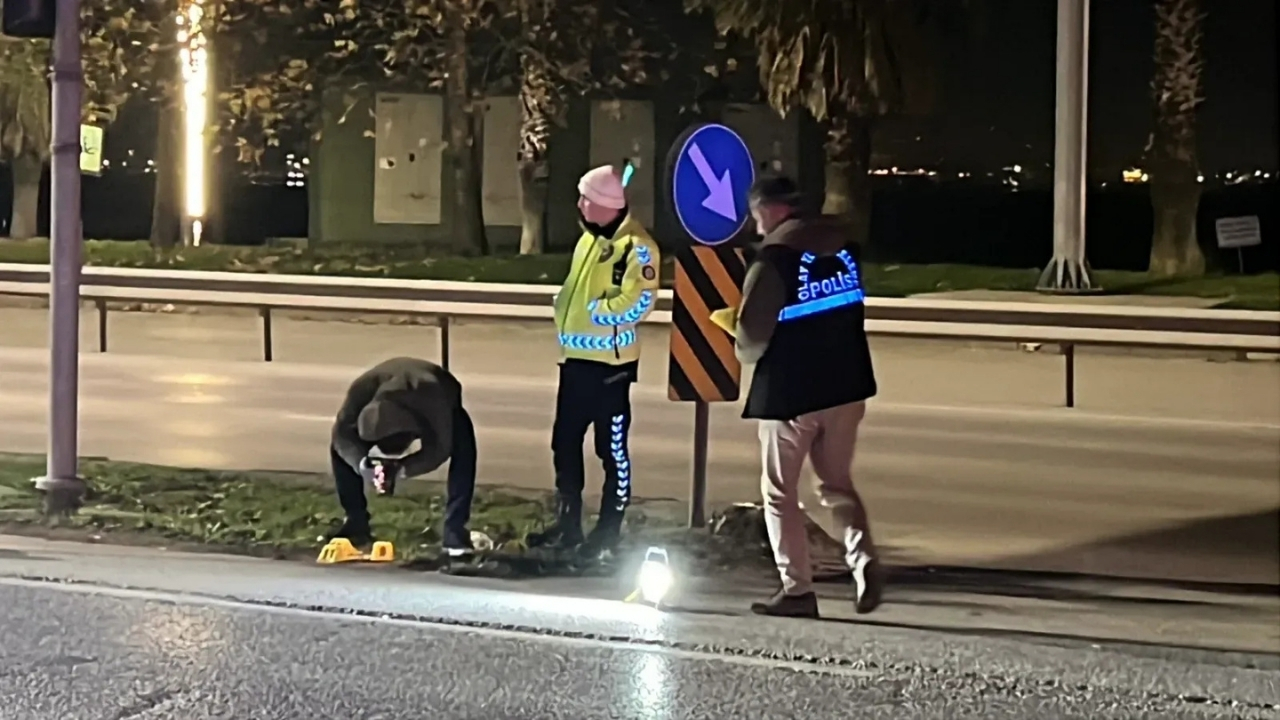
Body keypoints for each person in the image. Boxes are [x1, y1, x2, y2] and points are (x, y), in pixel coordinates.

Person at [733, 174, 884, 618]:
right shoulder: (844, 251)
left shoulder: (774, 260)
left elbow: (751, 335)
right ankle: (863, 560)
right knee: (837, 484)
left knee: (779, 492)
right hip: (847, 386)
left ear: (773, 209)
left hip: (791, 392)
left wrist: (737, 340)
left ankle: (797, 589)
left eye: (756, 210)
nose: (753, 220)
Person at [526, 164, 662, 557]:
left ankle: (607, 532)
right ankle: (568, 525)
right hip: (576, 361)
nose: (580, 204)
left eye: (586, 198)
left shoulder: (637, 247)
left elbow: (639, 301)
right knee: (564, 443)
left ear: (605, 205)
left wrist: (600, 314)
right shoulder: (588, 239)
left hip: (611, 367)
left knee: (611, 449)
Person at [326, 357, 477, 558]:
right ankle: (355, 523)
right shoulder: (360, 392)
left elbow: (440, 449)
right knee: (340, 451)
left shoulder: (431, 397)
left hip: (441, 396)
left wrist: (402, 468)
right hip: (385, 391)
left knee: (463, 447)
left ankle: (454, 532)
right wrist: (363, 466)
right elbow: (341, 437)